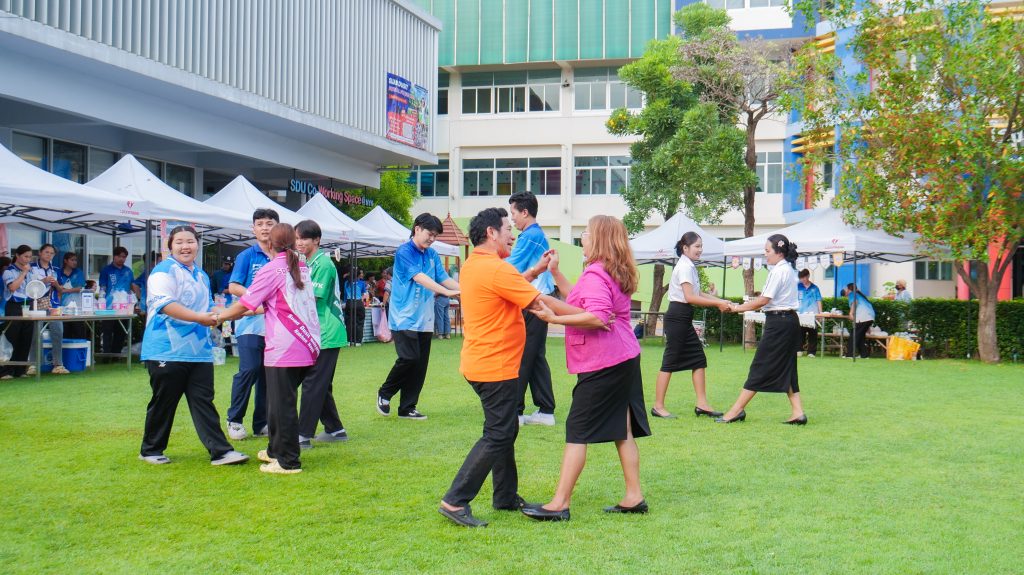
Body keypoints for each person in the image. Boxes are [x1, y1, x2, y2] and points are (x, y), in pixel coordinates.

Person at [437, 207, 570, 528]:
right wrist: (587, 313)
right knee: (499, 433)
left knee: (505, 428)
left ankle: (505, 496)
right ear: (491, 233)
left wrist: (535, 271)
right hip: (495, 366)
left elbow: (508, 285)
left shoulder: (475, 265)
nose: (513, 234)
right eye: (508, 228)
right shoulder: (497, 269)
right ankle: (455, 500)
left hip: (482, 362)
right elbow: (540, 302)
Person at [522, 215, 652, 522]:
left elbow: (596, 316)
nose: (584, 237)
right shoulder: (611, 270)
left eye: (588, 233)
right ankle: (634, 496)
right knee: (623, 429)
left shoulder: (596, 273)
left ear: (601, 239)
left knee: (577, 429)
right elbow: (580, 301)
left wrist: (554, 318)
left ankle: (560, 503)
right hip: (624, 356)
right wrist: (555, 274)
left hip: (605, 361)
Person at [138, 225, 249, 467]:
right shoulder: (163, 271)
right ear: (170, 246)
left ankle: (221, 452)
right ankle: (151, 450)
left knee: (203, 400)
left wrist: (235, 311)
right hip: (166, 349)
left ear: (198, 245)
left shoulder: (200, 275)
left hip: (198, 351)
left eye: (190, 241)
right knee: (164, 401)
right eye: (179, 242)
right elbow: (166, 306)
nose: (185, 246)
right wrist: (200, 318)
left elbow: (209, 307)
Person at [218, 223, 321, 474]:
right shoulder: (301, 266)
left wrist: (218, 316)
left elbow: (245, 303)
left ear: (270, 245)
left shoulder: (272, 269)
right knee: (278, 402)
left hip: (284, 347)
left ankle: (288, 461)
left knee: (282, 405)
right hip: (306, 343)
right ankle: (275, 450)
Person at [376, 213, 460, 421]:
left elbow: (443, 277)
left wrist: (463, 290)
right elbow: (420, 277)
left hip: (425, 319)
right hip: (403, 317)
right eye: (430, 234)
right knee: (409, 358)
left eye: (435, 236)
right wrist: (446, 292)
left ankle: (407, 407)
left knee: (420, 364)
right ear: (417, 229)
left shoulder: (432, 255)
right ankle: (385, 392)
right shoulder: (404, 251)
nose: (432, 239)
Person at [717, 234, 806, 425]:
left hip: (779, 324)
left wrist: (736, 308)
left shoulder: (779, 271)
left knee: (760, 365)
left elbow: (764, 300)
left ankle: (736, 410)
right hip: (788, 321)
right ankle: (798, 412)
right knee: (788, 367)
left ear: (779, 252)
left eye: (767, 251)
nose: (765, 254)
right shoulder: (788, 269)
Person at [651, 232, 732, 419]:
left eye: (701, 246)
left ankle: (702, 404)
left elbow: (699, 293)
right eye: (697, 246)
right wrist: (717, 304)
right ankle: (658, 406)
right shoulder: (685, 267)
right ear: (685, 248)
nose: (700, 249)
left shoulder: (689, 266)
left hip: (683, 317)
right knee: (669, 362)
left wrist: (720, 300)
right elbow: (690, 297)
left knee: (698, 359)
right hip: (677, 317)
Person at [294, 220, 349, 449]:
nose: (299, 243)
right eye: (297, 238)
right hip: (317, 331)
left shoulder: (323, 263)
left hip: (326, 330)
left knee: (313, 382)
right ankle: (335, 429)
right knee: (321, 383)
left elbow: (312, 298)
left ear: (316, 240)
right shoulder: (307, 262)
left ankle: (302, 435)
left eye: (304, 238)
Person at [225, 208, 279, 441]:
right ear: (253, 229)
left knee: (268, 375)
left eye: (269, 223)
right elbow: (233, 286)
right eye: (260, 224)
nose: (265, 228)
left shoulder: (282, 255)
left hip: (276, 326)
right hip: (249, 323)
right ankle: (234, 419)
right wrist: (256, 297)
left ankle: (261, 422)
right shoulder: (247, 255)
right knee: (249, 369)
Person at [505, 191, 557, 427]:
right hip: (537, 301)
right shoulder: (533, 235)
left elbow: (511, 267)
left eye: (513, 213)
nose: (512, 219)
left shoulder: (530, 236)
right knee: (535, 356)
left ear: (525, 212)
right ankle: (545, 411)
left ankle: (516, 411)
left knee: (524, 355)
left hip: (533, 302)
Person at [28, 244, 69, 375]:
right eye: (46, 252)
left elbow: (61, 289)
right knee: (36, 334)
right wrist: (44, 280)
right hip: (37, 304)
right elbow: (28, 286)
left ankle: (58, 364)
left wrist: (55, 283)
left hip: (54, 305)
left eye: (52, 253)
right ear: (40, 253)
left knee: (58, 332)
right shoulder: (31, 267)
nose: (49, 255)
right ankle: (34, 364)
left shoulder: (56, 269)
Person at [0, 245, 37, 379]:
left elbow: (35, 287)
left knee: (26, 337)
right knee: (12, 337)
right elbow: (13, 287)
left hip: (28, 304)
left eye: (30, 257)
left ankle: (20, 369)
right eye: (25, 256)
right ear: (17, 256)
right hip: (13, 305)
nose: (28, 259)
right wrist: (24, 273)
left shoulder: (32, 271)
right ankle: (5, 370)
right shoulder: (8, 271)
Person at [98, 246, 138, 354]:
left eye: (124, 257)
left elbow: (132, 287)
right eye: (119, 256)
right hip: (109, 307)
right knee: (107, 332)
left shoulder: (128, 271)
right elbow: (103, 287)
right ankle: (106, 355)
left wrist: (136, 301)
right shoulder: (106, 270)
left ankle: (116, 355)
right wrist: (101, 300)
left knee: (121, 332)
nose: (122, 259)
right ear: (114, 256)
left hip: (124, 307)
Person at [56, 251, 86, 340]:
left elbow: (80, 288)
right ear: (65, 261)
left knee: (79, 332)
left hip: (77, 308)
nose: (75, 262)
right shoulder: (58, 272)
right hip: (63, 307)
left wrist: (64, 290)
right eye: (72, 260)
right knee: (65, 333)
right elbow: (56, 288)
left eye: (76, 260)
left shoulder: (78, 272)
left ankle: (80, 348)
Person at [842, 282, 876, 359]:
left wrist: (851, 313)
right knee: (860, 336)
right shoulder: (860, 295)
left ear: (848, 289)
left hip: (863, 317)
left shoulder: (852, 294)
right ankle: (864, 355)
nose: (845, 290)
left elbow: (855, 302)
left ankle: (850, 354)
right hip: (870, 317)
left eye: (846, 288)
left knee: (853, 335)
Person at [797, 269, 823, 358]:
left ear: (808, 276)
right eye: (800, 278)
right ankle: (799, 350)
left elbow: (818, 300)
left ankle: (811, 352)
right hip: (800, 314)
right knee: (800, 333)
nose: (802, 280)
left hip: (813, 315)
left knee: (813, 333)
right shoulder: (797, 286)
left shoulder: (815, 288)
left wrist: (820, 314)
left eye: (803, 278)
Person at [343, 268, 369, 346]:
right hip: (358, 302)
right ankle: (358, 341)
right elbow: (364, 294)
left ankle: (349, 340)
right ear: (358, 275)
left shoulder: (346, 283)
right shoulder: (361, 283)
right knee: (359, 322)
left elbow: (345, 295)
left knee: (349, 322)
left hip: (349, 302)